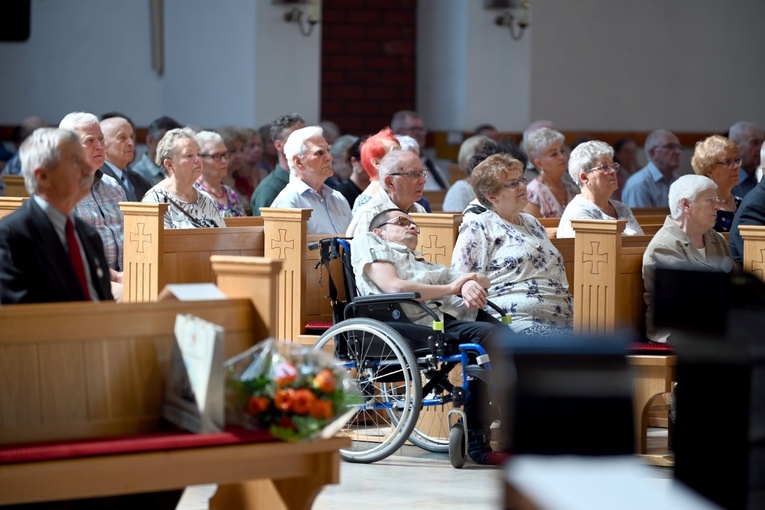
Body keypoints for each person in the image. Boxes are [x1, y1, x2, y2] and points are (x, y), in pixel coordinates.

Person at [352, 207, 505, 465]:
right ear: (380, 231)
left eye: (414, 225)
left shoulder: (420, 262)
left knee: (507, 336)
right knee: (488, 338)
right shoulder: (369, 242)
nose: (412, 227)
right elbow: (394, 286)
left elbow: (483, 279)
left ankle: (511, 415)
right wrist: (451, 287)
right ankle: (477, 437)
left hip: (441, 319)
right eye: (402, 222)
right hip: (405, 323)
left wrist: (467, 283)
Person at [451, 153, 574, 336]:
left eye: (521, 180)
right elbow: (458, 280)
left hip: (566, 319)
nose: (522, 186)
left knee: (603, 352)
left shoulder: (532, 222)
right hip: (513, 322)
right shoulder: (479, 226)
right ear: (491, 195)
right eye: (512, 184)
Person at [0, 127, 113, 304]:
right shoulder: (11, 236)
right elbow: (19, 318)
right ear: (43, 176)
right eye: (76, 161)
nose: (87, 169)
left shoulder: (89, 235)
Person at [643, 175, 733, 342]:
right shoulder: (664, 247)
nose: (717, 207)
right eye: (709, 200)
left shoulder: (716, 239)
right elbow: (685, 304)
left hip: (713, 327)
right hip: (678, 332)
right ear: (686, 205)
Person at [60, 112, 127, 301]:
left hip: (126, 274)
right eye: (89, 141)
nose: (99, 146)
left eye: (101, 139)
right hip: (88, 278)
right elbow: (70, 252)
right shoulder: (63, 191)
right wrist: (115, 276)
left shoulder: (113, 187)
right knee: (134, 296)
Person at [270, 126, 352, 234]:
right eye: (319, 153)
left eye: (328, 150)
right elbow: (286, 249)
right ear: (298, 162)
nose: (329, 157)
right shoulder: (287, 202)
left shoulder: (338, 198)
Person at [557, 140, 644, 238]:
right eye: (605, 167)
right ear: (584, 177)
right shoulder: (578, 213)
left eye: (613, 166)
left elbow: (641, 241)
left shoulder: (621, 208)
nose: (613, 171)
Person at [142, 127, 225, 229]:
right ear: (169, 164)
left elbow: (222, 237)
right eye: (189, 155)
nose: (198, 160)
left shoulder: (206, 199)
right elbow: (159, 243)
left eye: (198, 154)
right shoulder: (155, 201)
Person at [346, 149, 427, 237]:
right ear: (390, 182)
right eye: (413, 174)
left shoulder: (419, 211)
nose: (423, 181)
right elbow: (361, 250)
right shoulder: (369, 214)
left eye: (422, 173)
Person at [251, 113, 305, 216]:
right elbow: (265, 229)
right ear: (279, 145)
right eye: (296, 139)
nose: (305, 144)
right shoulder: (270, 189)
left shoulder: (310, 182)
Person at [523, 127, 579, 218]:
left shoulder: (573, 190)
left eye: (562, 151)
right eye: (554, 154)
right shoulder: (532, 196)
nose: (562, 157)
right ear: (539, 163)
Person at [690, 135, 742, 232]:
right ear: (708, 169)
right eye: (727, 162)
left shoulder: (742, 204)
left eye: (736, 160)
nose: (736, 166)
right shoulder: (701, 208)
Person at [391, 110, 450, 191]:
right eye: (414, 129)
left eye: (421, 129)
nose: (420, 133)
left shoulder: (428, 163)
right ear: (398, 132)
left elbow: (445, 190)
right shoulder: (392, 165)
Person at [622, 129, 682, 208]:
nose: (678, 152)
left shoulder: (678, 181)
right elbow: (642, 220)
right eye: (670, 147)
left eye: (679, 147)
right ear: (652, 153)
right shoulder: (639, 184)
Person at [194, 130, 245, 218]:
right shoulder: (191, 195)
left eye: (225, 154)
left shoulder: (230, 193)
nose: (224, 161)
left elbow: (246, 226)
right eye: (216, 156)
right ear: (198, 159)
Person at [100, 116, 152, 201]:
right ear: (103, 143)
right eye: (122, 138)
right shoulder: (96, 179)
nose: (131, 143)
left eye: (131, 137)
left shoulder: (140, 180)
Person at [351, 127, 400, 212]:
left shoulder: (398, 196)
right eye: (394, 154)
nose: (402, 158)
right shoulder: (365, 203)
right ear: (377, 163)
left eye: (401, 152)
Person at [442, 135, 495, 212]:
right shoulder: (460, 189)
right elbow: (455, 221)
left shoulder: (499, 186)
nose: (488, 161)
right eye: (482, 157)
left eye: (491, 154)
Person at [132, 115, 182, 185]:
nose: (171, 147)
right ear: (150, 141)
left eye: (175, 143)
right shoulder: (137, 175)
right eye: (166, 141)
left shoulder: (177, 169)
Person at [729, 121, 765, 198]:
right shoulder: (725, 180)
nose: (760, 149)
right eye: (754, 143)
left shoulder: (762, 176)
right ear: (734, 145)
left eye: (762, 143)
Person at [335, 135, 369, 208]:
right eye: (368, 162)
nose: (375, 167)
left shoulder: (380, 190)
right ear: (354, 161)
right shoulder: (340, 194)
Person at [612, 137, 640, 202]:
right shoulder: (612, 175)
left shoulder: (642, 171)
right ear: (618, 154)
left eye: (633, 151)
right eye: (627, 152)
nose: (631, 155)